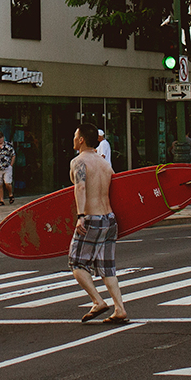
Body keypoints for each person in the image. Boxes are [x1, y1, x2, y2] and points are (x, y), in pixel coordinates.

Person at [67, 122, 128, 325]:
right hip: (109, 219)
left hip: (91, 218)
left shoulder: (79, 161)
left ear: (81, 140)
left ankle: (97, 301)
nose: (73, 139)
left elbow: (80, 187)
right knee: (107, 267)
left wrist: (80, 216)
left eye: (75, 136)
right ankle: (120, 309)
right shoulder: (104, 163)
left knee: (76, 262)